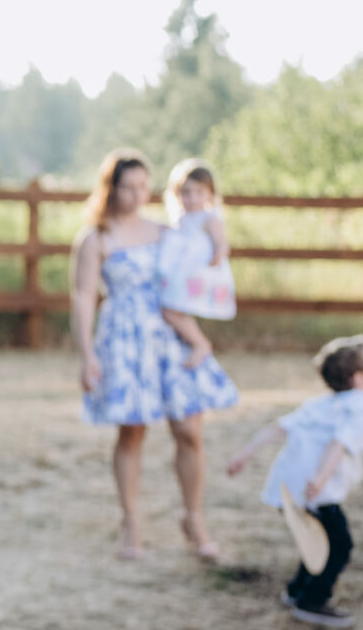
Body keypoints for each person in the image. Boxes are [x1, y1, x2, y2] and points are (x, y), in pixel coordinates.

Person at [70, 148, 238, 561]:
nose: (137, 195)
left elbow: (196, 265)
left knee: (189, 429)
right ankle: (131, 522)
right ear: (111, 189)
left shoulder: (165, 232)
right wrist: (87, 354)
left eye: (143, 186)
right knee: (132, 431)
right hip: (124, 338)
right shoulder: (95, 237)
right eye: (128, 187)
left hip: (168, 334)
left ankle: (193, 518)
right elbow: (83, 297)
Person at [227, 335, 363, 628]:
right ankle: (312, 601)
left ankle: (296, 590)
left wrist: (243, 455)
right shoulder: (361, 407)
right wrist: (321, 479)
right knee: (338, 546)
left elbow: (278, 427)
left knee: (315, 538)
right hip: (315, 491)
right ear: (359, 378)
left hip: (288, 488)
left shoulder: (323, 403)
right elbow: (339, 443)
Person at [157, 159, 236, 369]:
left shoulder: (208, 218)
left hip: (198, 275)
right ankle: (190, 341)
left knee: (171, 310)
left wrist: (217, 255)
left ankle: (200, 343)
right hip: (181, 275)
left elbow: (222, 243)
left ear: (210, 194)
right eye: (186, 193)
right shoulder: (180, 219)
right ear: (176, 194)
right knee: (172, 310)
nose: (192, 199)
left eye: (199, 193)